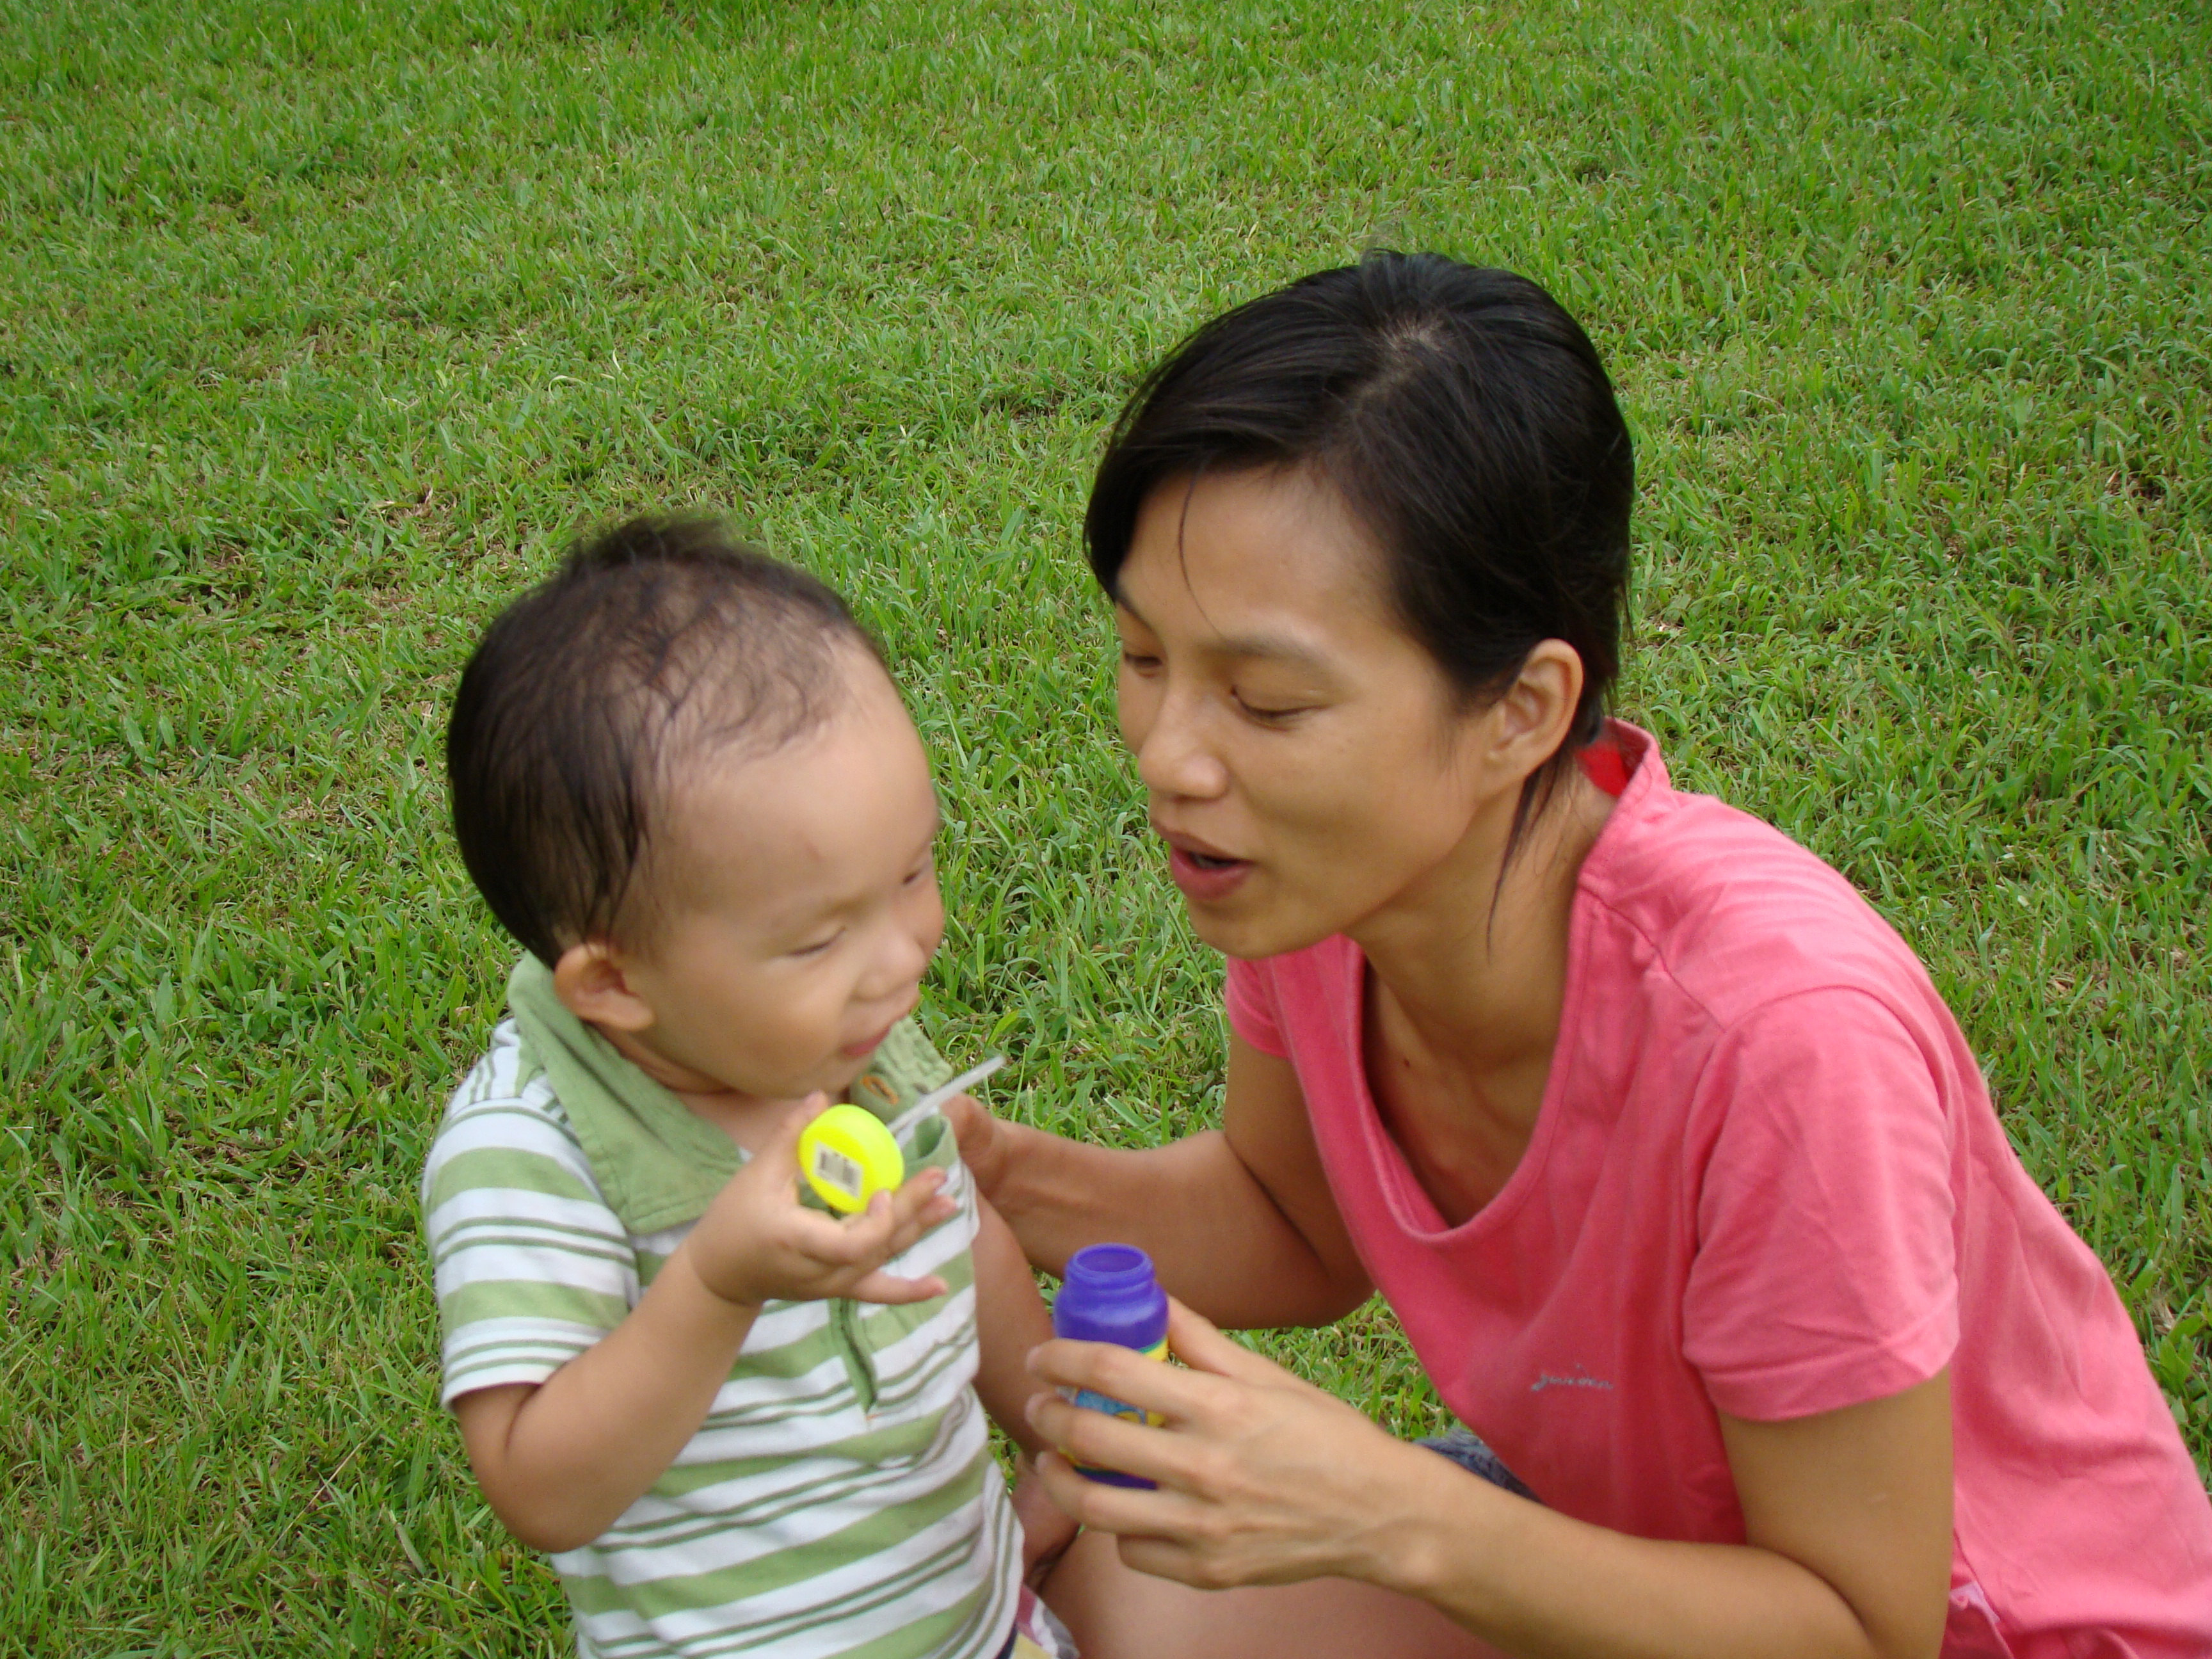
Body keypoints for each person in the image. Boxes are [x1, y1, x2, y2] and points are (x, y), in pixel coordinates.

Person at [952, 255, 2212, 1659]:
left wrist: (1392, 1514)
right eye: (1143, 658)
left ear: (1523, 708)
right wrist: (985, 1176)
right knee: (1125, 1591)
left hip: (1976, 1633)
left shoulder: (1784, 1041)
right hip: (1630, 1548)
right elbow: (1293, 1221)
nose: (1171, 756)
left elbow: (1865, 1633)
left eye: (1266, 700)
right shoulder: (1325, 889)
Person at [421, 519, 1077, 1659]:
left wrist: (1056, 1430)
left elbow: (968, 1246)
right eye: (818, 939)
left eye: (912, 871)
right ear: (615, 983)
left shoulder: (851, 1048)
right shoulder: (534, 1148)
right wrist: (718, 1285)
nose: (903, 955)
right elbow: (541, 1490)